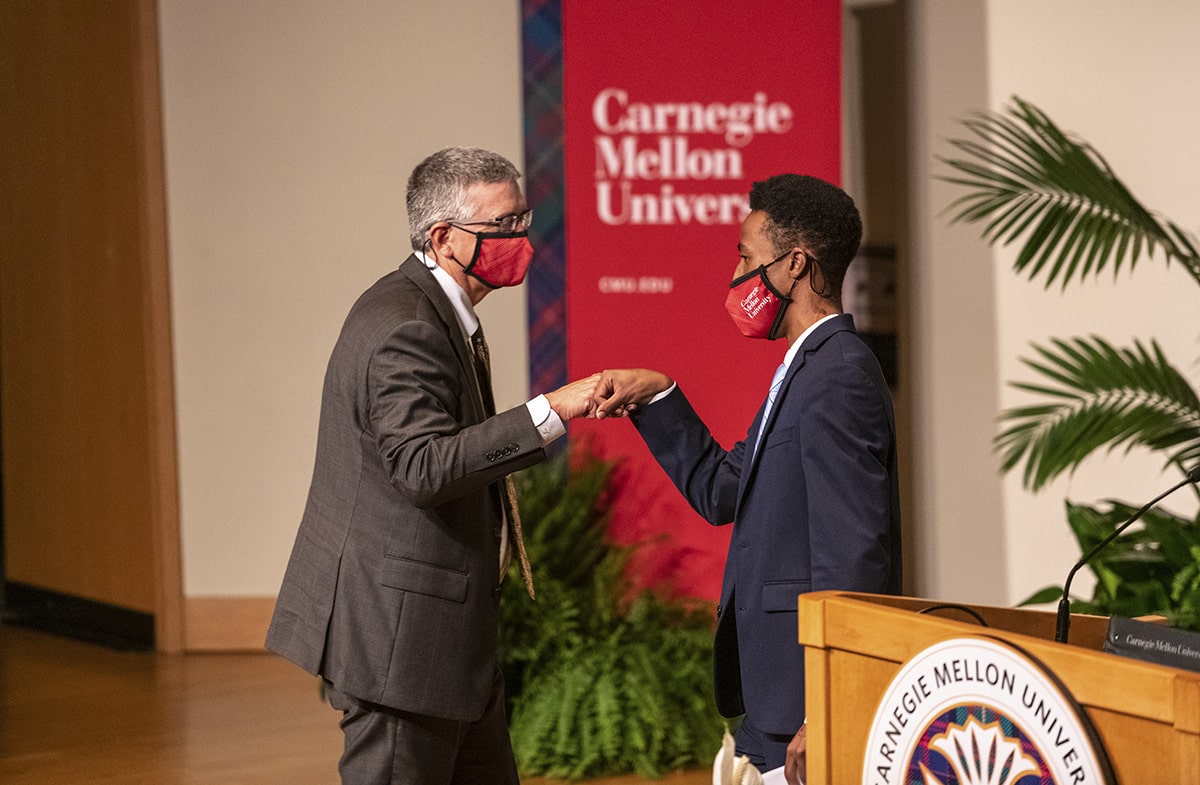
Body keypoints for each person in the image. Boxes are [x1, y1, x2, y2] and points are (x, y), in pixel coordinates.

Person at [265, 146, 599, 785]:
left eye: (525, 221)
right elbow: (420, 466)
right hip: (402, 644)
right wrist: (552, 410)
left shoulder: (437, 310)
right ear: (444, 237)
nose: (522, 240)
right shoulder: (406, 325)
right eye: (505, 227)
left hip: (448, 638)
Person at [593, 174, 903, 785]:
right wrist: (659, 395)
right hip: (770, 698)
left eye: (745, 256)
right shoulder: (804, 368)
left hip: (803, 709)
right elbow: (722, 489)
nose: (737, 275)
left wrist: (829, 704)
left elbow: (853, 554)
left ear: (794, 265)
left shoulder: (837, 373)